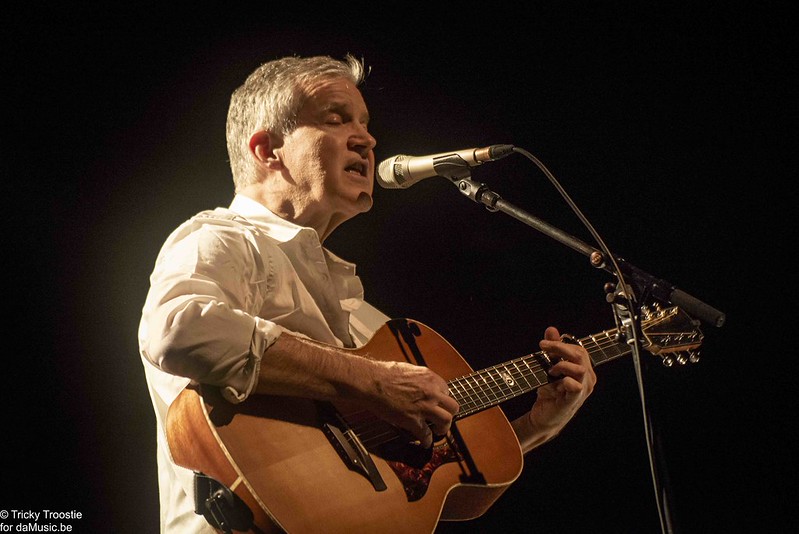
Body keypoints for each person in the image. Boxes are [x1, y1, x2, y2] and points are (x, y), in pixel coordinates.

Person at [138, 54, 597, 533]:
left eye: (365, 123)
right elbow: (176, 329)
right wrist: (372, 382)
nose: (367, 139)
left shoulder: (362, 319)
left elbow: (429, 480)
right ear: (267, 150)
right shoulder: (221, 239)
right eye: (336, 119)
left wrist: (536, 426)